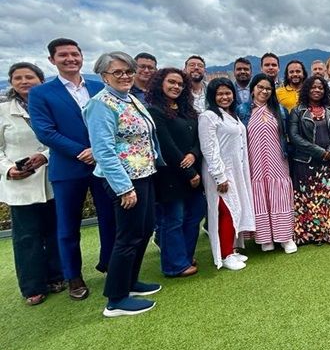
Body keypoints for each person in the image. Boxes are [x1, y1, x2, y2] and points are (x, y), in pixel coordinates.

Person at [28, 38, 115, 301]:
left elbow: (113, 122)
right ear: (52, 60)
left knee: (110, 217)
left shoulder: (100, 87)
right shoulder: (41, 93)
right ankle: (73, 276)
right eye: (63, 55)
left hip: (103, 164)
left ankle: (110, 264)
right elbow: (45, 131)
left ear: (81, 57)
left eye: (74, 54)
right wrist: (81, 151)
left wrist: (98, 150)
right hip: (67, 167)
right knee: (67, 225)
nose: (70, 59)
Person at [84, 51, 164, 317]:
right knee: (127, 236)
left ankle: (130, 282)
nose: (125, 76)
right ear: (103, 75)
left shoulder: (128, 99)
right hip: (125, 179)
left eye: (128, 71)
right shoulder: (101, 104)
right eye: (117, 72)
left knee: (143, 230)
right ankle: (116, 299)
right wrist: (124, 188)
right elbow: (103, 151)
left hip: (144, 174)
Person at [1, 63, 65, 306]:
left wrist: (45, 156)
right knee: (26, 236)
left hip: (51, 175)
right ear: (11, 82)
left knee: (55, 230)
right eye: (18, 78)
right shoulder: (4, 110)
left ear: (41, 80)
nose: (24, 81)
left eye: (30, 77)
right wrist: (8, 169)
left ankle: (57, 276)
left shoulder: (51, 105)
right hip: (22, 182)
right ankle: (32, 286)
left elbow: (60, 135)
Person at [146, 68, 204, 278]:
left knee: (195, 215)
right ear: (160, 83)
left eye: (180, 84)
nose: (176, 87)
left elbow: (199, 138)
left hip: (194, 170)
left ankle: (185, 257)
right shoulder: (155, 111)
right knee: (174, 220)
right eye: (171, 82)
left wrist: (193, 155)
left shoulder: (186, 110)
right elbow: (166, 146)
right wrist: (189, 172)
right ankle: (174, 265)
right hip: (171, 176)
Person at [236, 74, 297, 254]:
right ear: (253, 88)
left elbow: (287, 135)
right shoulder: (243, 110)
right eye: (260, 87)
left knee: (280, 196)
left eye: (268, 89)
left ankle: (285, 237)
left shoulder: (279, 110)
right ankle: (265, 237)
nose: (264, 91)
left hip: (278, 159)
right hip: (254, 161)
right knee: (259, 197)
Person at [198, 78, 255, 270]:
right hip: (221, 173)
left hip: (236, 171)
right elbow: (209, 148)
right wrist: (219, 176)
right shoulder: (208, 116)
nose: (224, 97)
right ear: (213, 96)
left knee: (235, 210)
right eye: (220, 94)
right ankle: (224, 255)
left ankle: (231, 249)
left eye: (228, 93)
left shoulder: (231, 115)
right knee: (226, 212)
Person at [288, 76, 330, 244]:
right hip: (306, 163)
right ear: (307, 89)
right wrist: (319, 152)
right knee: (309, 199)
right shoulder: (297, 111)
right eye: (313, 87)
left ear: (325, 90)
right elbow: (294, 136)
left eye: (320, 87)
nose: (317, 90)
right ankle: (310, 235)